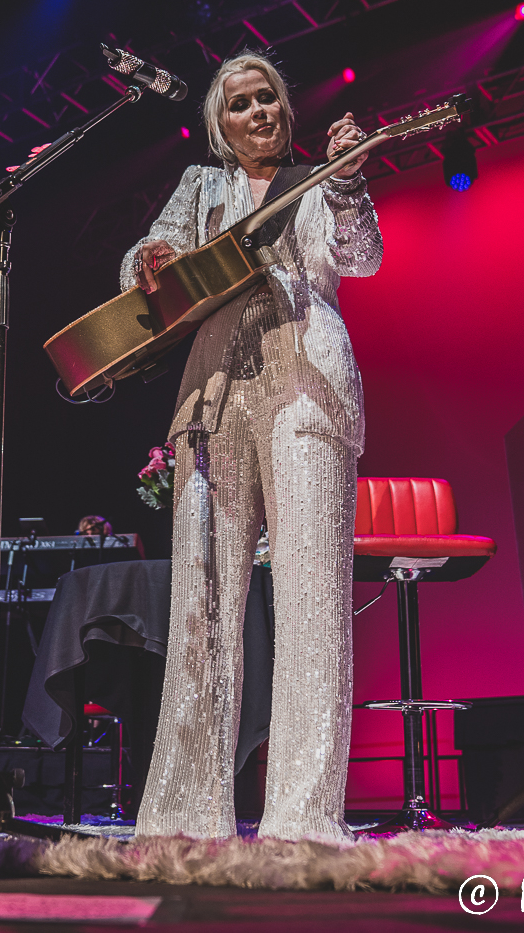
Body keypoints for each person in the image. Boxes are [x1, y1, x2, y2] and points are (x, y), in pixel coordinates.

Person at [123, 50, 378, 842]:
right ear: (219, 124)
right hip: (214, 394)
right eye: (240, 104)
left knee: (311, 601)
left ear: (286, 110)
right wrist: (151, 263)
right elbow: (141, 259)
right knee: (201, 602)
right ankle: (186, 816)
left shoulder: (317, 179)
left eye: (268, 97)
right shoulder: (201, 188)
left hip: (307, 386)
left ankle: (302, 818)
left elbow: (362, 257)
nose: (258, 111)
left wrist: (347, 182)